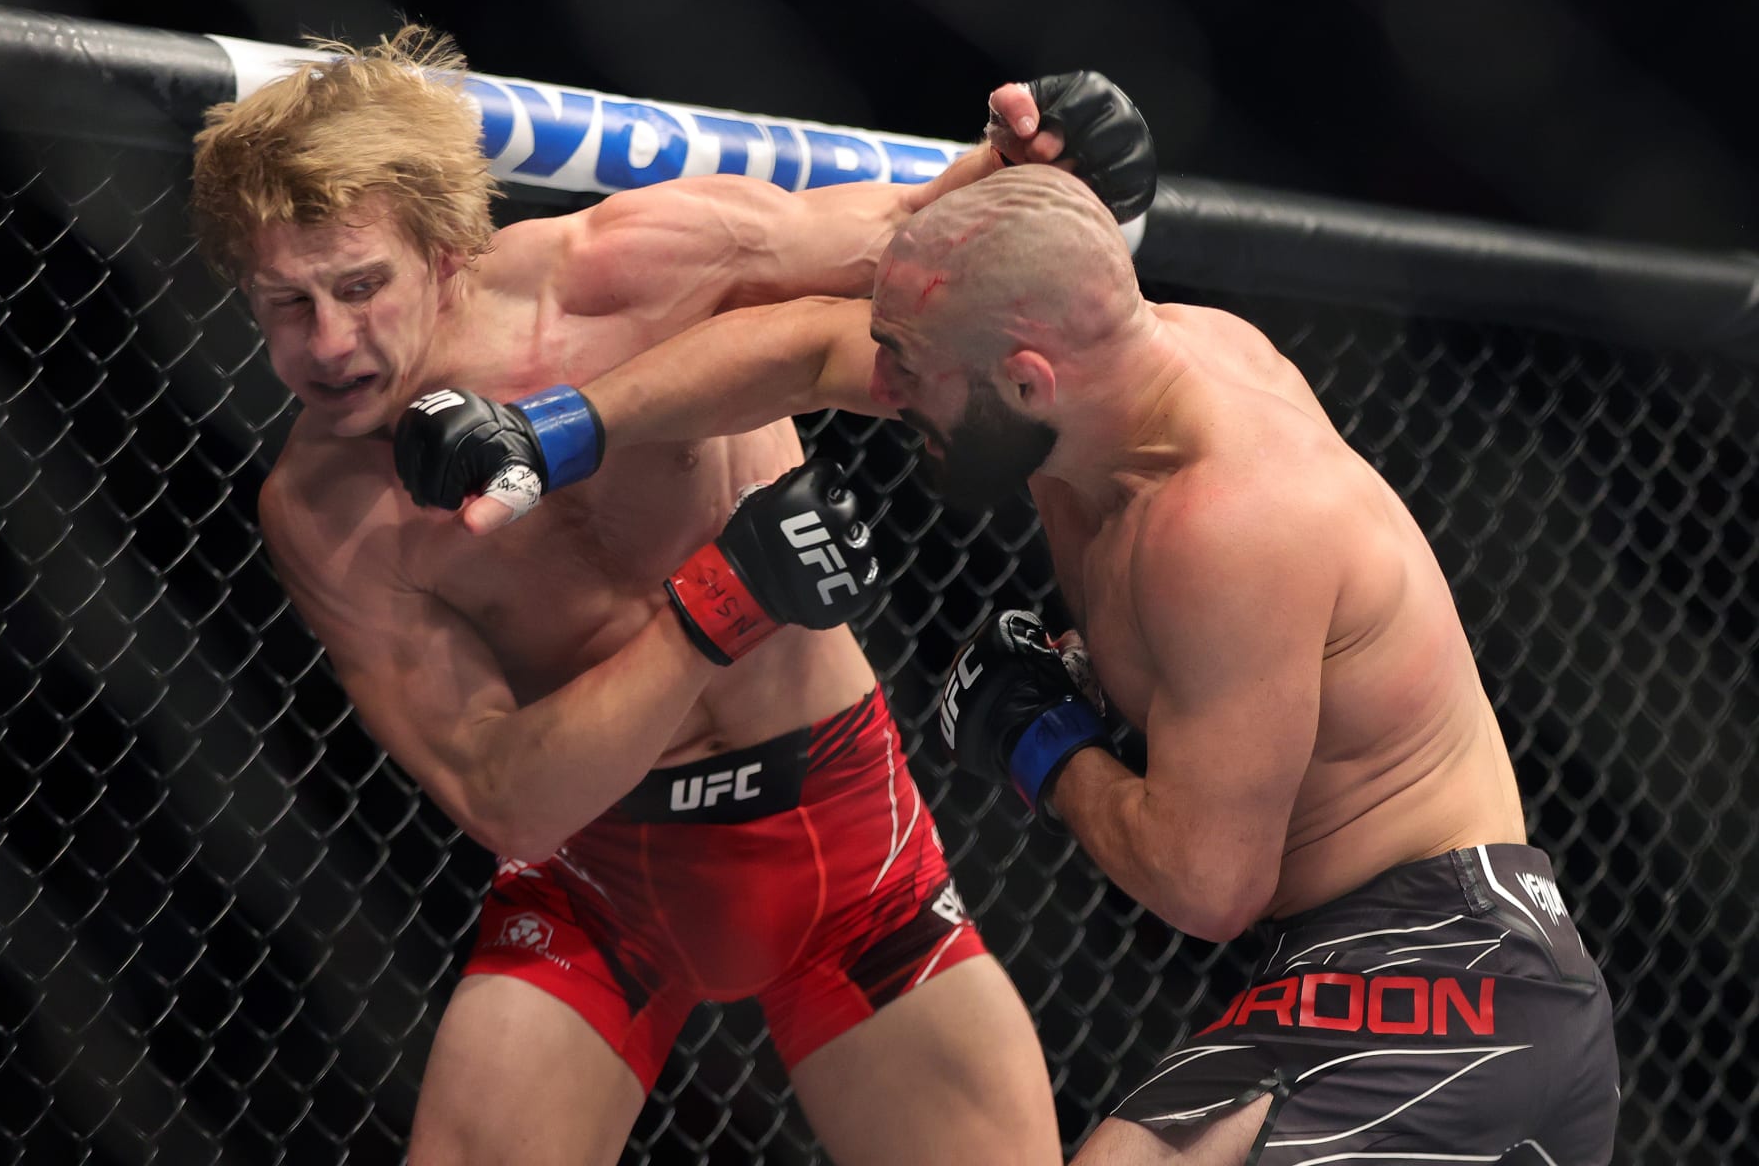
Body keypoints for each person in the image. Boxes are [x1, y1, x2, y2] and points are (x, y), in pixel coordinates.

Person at [438, 163, 1622, 1163]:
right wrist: (552, 435)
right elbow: (800, 352)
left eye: (907, 368)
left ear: (1023, 381)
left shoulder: (1227, 522)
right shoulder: (1113, 393)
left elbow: (1209, 885)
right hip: (1353, 968)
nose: (883, 389)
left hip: (1457, 980)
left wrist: (1040, 735)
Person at [191, 23, 1158, 1166]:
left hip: (842, 839)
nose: (330, 343)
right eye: (283, 306)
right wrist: (724, 601)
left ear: (448, 251)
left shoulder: (638, 262)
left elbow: (913, 246)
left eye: (359, 287)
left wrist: (1041, 162)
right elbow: (504, 797)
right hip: (604, 877)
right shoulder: (321, 509)